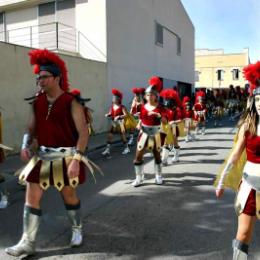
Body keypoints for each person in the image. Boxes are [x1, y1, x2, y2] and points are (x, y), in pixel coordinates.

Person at [5, 49, 91, 256]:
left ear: (56, 78)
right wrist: (27, 146)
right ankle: (27, 242)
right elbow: (31, 130)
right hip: (42, 158)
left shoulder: (72, 102)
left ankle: (76, 229)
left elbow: (83, 133)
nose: (40, 81)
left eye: (44, 77)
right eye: (38, 77)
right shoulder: (37, 102)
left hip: (66, 158)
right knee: (31, 196)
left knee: (68, 196)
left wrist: (76, 160)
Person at [215, 61, 260, 260]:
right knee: (243, 234)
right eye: (257, 99)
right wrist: (223, 180)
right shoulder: (247, 125)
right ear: (253, 101)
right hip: (250, 184)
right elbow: (234, 155)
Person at [132, 76, 166, 187]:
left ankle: (158, 176)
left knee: (157, 155)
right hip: (144, 133)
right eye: (147, 94)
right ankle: (139, 177)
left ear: (156, 96)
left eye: (151, 94)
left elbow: (165, 121)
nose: (149, 96)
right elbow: (141, 118)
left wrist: (158, 114)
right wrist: (139, 123)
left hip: (156, 133)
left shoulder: (160, 107)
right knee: (138, 156)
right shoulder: (143, 107)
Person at [102, 88, 132, 156]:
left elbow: (126, 115)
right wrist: (108, 114)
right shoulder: (112, 106)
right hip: (113, 123)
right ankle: (107, 149)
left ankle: (127, 148)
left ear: (118, 99)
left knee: (122, 136)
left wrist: (119, 116)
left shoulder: (122, 107)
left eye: (114, 98)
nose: (113, 99)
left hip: (120, 123)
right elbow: (110, 113)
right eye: (113, 98)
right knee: (110, 135)